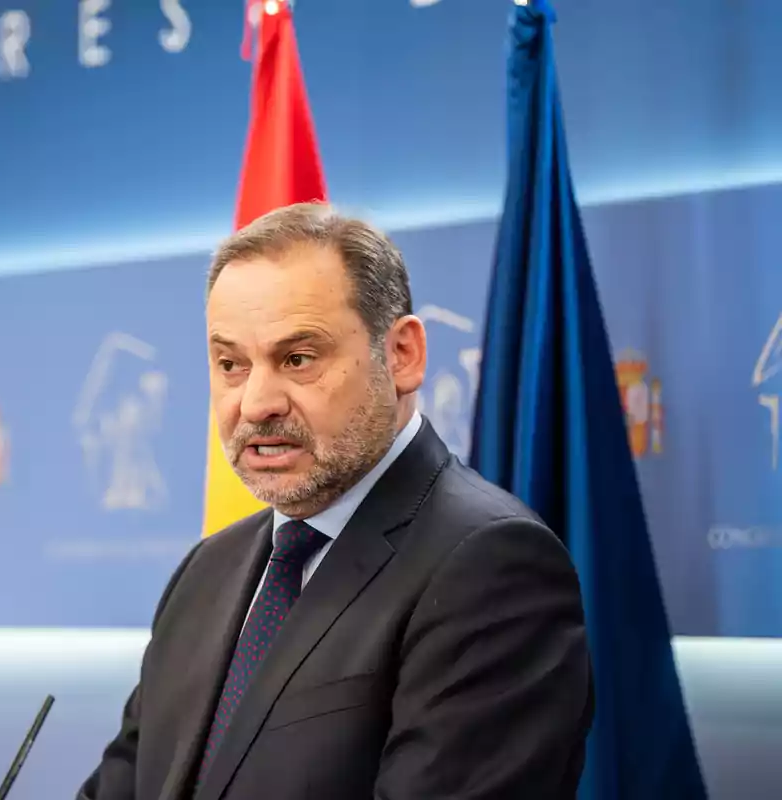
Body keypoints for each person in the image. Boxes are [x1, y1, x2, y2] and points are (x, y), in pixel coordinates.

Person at [78, 202, 593, 800]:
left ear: (402, 355)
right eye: (231, 365)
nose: (256, 403)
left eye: (297, 358)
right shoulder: (206, 570)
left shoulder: (492, 566)